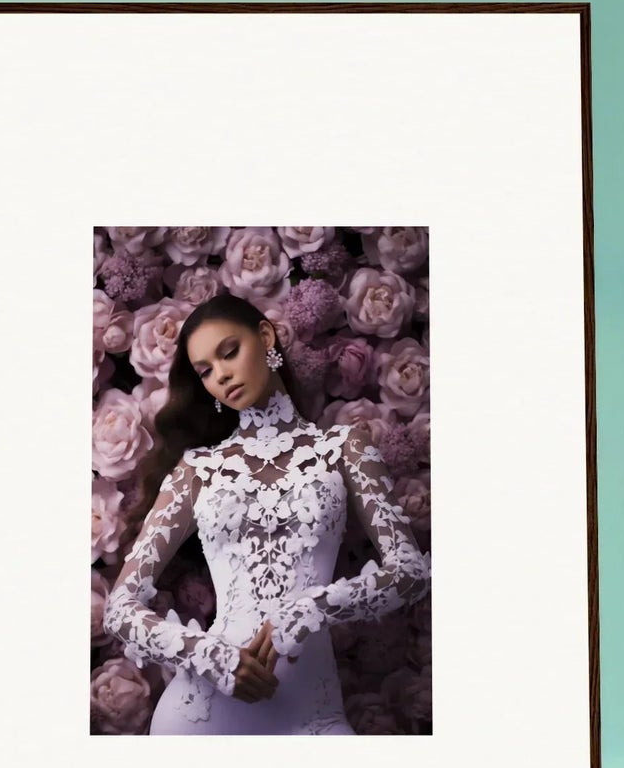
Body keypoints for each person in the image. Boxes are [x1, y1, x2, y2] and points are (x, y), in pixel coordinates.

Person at [103, 292, 431, 735]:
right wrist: (211, 656)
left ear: (265, 336)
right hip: (203, 713)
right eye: (206, 371)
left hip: (311, 712)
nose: (221, 374)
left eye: (229, 352)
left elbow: (410, 571)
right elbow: (119, 609)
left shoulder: (342, 449)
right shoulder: (198, 469)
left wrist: (312, 607)